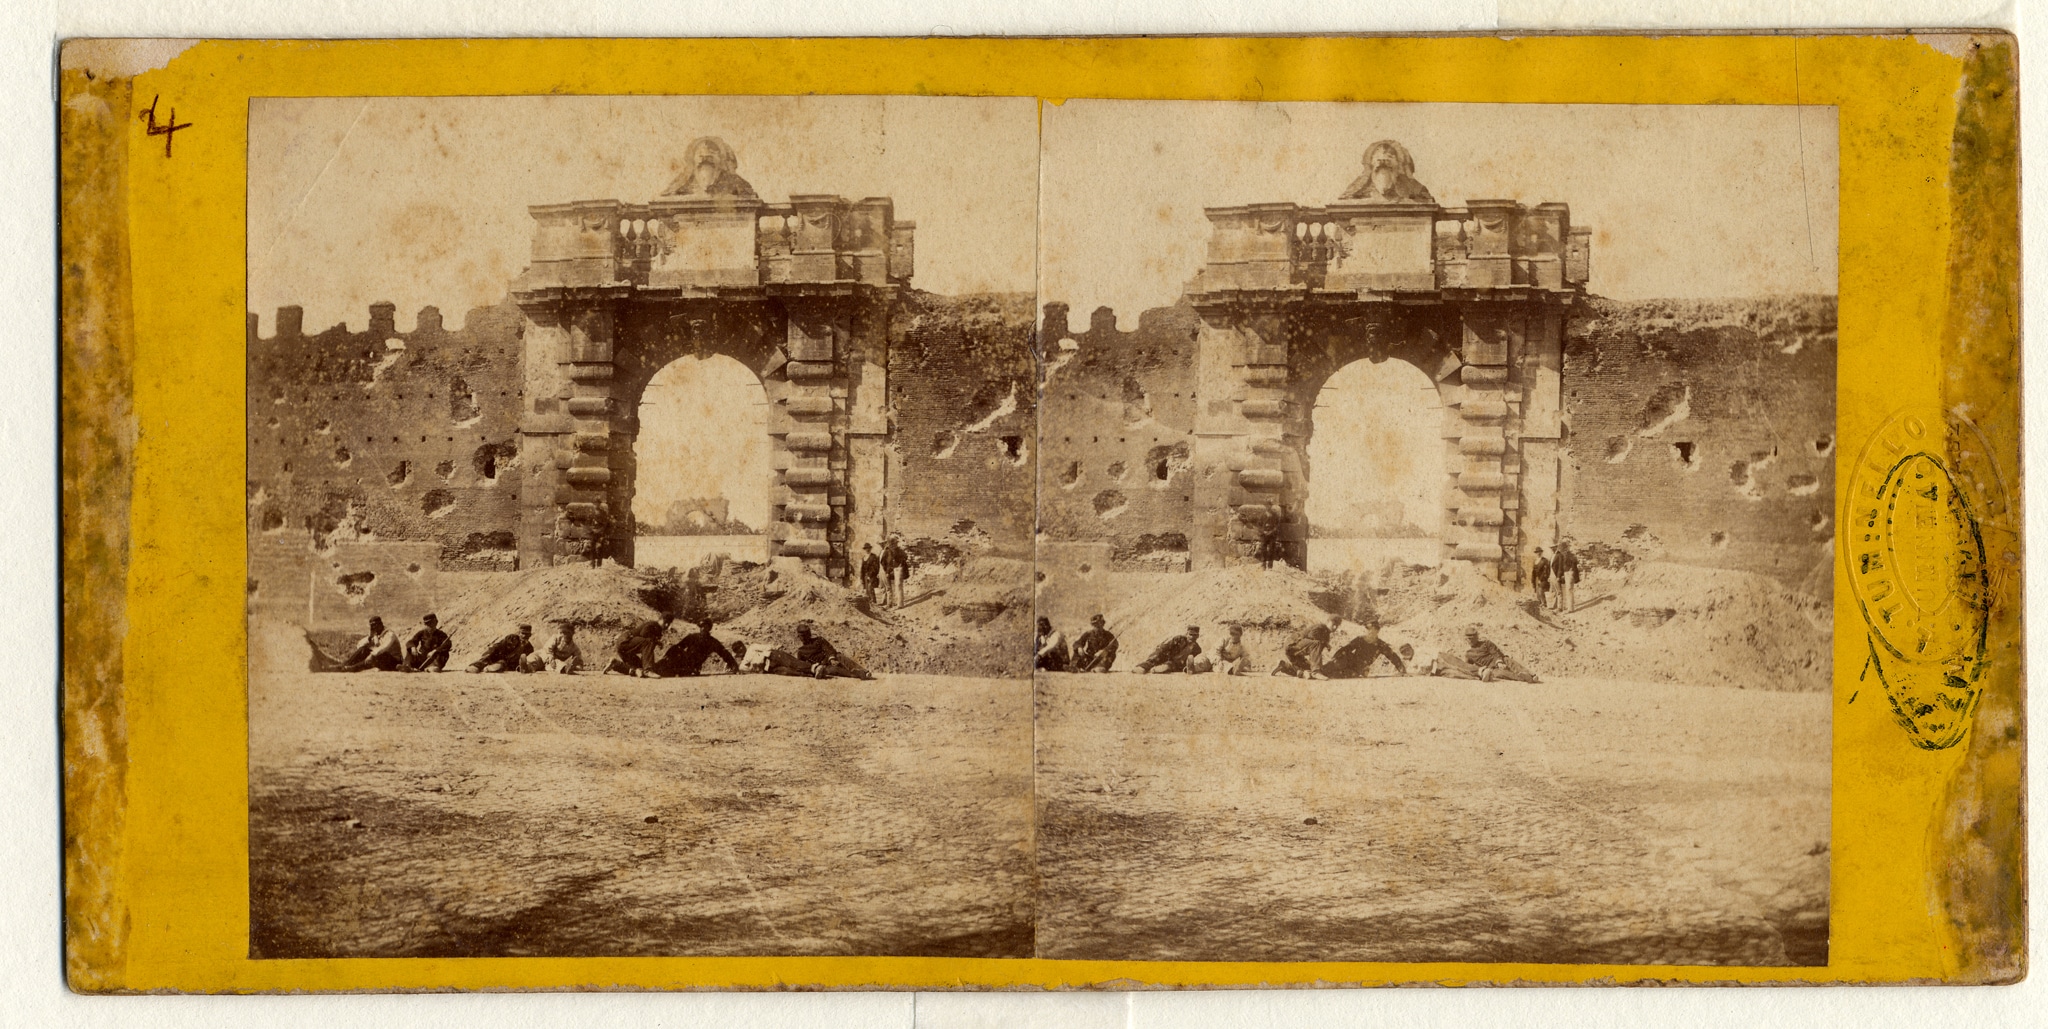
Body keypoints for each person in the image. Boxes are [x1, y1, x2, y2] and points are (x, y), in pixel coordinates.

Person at [1429, 624, 1541, 683]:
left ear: (1477, 637)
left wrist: (1499, 661)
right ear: (1466, 639)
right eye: (1469, 638)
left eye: (1473, 637)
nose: (1471, 640)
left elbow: (1496, 652)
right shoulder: (1468, 654)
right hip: (1492, 668)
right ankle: (1524, 678)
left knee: (1510, 662)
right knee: (1501, 674)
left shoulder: (1486, 643)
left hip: (1500, 661)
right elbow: (1469, 666)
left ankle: (1531, 674)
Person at [309, 615, 403, 672]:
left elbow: (383, 649)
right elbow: (360, 645)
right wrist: (370, 637)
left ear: (380, 625)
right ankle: (345, 664)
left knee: (375, 655)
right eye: (372, 627)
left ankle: (351, 668)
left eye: (375, 626)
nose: (373, 629)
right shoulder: (375, 634)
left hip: (394, 662)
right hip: (381, 659)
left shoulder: (390, 634)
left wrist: (372, 654)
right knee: (364, 649)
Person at [1322, 620, 1408, 678]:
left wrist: (1401, 669)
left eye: (1372, 629)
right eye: (1368, 629)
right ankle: (1319, 670)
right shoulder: (1360, 639)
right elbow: (1346, 649)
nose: (1369, 632)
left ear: (1377, 631)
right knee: (1339, 661)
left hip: (1359, 668)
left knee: (1340, 675)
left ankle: (1320, 673)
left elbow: (1393, 656)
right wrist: (1335, 657)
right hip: (1350, 661)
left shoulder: (1380, 645)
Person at [795, 620, 876, 680]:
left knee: (840, 656)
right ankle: (859, 674)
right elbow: (804, 666)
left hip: (832, 659)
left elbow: (829, 649)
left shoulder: (819, 640)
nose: (804, 638)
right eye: (803, 636)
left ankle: (864, 671)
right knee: (835, 670)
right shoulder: (801, 651)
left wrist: (832, 658)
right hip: (824, 666)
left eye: (806, 635)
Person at [655, 619, 738, 677]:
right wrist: (667, 656)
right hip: (682, 661)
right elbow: (678, 647)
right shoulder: (692, 637)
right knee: (663, 665)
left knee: (666, 672)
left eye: (705, 627)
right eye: (701, 627)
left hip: (693, 667)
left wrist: (734, 665)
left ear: (709, 628)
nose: (703, 629)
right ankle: (651, 667)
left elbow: (724, 653)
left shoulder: (712, 642)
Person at [1271, 615, 1341, 679]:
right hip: (1293, 644)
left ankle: (1284, 666)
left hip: (1295, 652)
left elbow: (1315, 653)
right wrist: (1324, 643)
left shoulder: (1326, 635)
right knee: (1317, 644)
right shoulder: (1320, 627)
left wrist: (1325, 643)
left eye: (1337, 625)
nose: (1335, 627)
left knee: (1307, 668)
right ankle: (1316, 672)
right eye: (1333, 624)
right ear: (1328, 622)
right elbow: (1312, 638)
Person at [605, 613, 674, 677]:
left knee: (638, 668)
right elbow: (643, 634)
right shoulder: (653, 624)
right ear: (660, 619)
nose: (666, 625)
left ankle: (615, 664)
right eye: (665, 622)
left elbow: (646, 649)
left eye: (669, 623)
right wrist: (656, 641)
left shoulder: (658, 629)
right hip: (625, 641)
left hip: (624, 648)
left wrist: (656, 642)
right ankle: (648, 670)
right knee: (649, 642)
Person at [468, 623, 535, 673]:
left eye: (527, 634)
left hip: (507, 664)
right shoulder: (512, 637)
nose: (524, 636)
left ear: (530, 635)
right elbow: (499, 647)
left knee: (500, 666)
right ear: (519, 633)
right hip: (498, 656)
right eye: (522, 633)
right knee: (492, 651)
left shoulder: (529, 648)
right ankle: (477, 666)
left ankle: (489, 668)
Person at [1137, 625, 1203, 674]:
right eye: (1190, 634)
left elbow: (1186, 663)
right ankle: (1143, 666)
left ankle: (1162, 668)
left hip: (1174, 664)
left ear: (1198, 636)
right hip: (1165, 656)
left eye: (1194, 635)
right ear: (1186, 634)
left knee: (1171, 665)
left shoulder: (1197, 649)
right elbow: (1165, 648)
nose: (1192, 637)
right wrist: (1156, 656)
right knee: (1158, 655)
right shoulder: (1179, 639)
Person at [733, 638, 812, 677]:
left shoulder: (752, 648)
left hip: (772, 657)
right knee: (791, 671)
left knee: (794, 664)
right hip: (770, 667)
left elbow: (768, 648)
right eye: (739, 650)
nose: (741, 649)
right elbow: (768, 647)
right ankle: (812, 673)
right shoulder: (743, 663)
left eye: (740, 647)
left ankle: (815, 668)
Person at [880, 535, 913, 609]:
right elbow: (883, 562)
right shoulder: (887, 551)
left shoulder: (899, 550)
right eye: (893, 543)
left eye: (895, 543)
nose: (894, 544)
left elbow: (905, 557)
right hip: (890, 570)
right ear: (890, 543)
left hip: (898, 569)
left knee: (898, 585)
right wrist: (887, 570)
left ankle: (900, 604)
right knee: (890, 587)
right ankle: (891, 603)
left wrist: (900, 562)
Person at [1553, 539, 1581, 613]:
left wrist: (1571, 573)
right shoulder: (1564, 555)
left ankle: (1570, 609)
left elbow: (1574, 565)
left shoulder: (1570, 555)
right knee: (1568, 590)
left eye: (1561, 548)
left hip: (1569, 573)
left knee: (1569, 590)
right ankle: (1569, 607)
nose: (1561, 550)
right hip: (1567, 573)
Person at [859, 543, 883, 607]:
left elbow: (876, 567)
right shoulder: (864, 557)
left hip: (872, 575)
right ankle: (869, 603)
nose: (867, 550)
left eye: (868, 548)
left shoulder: (873, 556)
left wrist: (870, 575)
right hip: (865, 576)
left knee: (870, 589)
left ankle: (874, 602)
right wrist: (861, 577)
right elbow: (862, 568)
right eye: (866, 548)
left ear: (870, 549)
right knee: (867, 590)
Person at [1530, 546, 1553, 613]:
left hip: (1543, 578)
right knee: (1537, 591)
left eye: (1539, 552)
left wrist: (1542, 578)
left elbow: (1546, 571)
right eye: (1537, 552)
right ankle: (1540, 603)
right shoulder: (1535, 561)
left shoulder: (1545, 560)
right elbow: (1533, 571)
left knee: (1541, 590)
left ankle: (1544, 603)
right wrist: (1533, 579)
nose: (1538, 553)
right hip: (1536, 578)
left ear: (1541, 552)